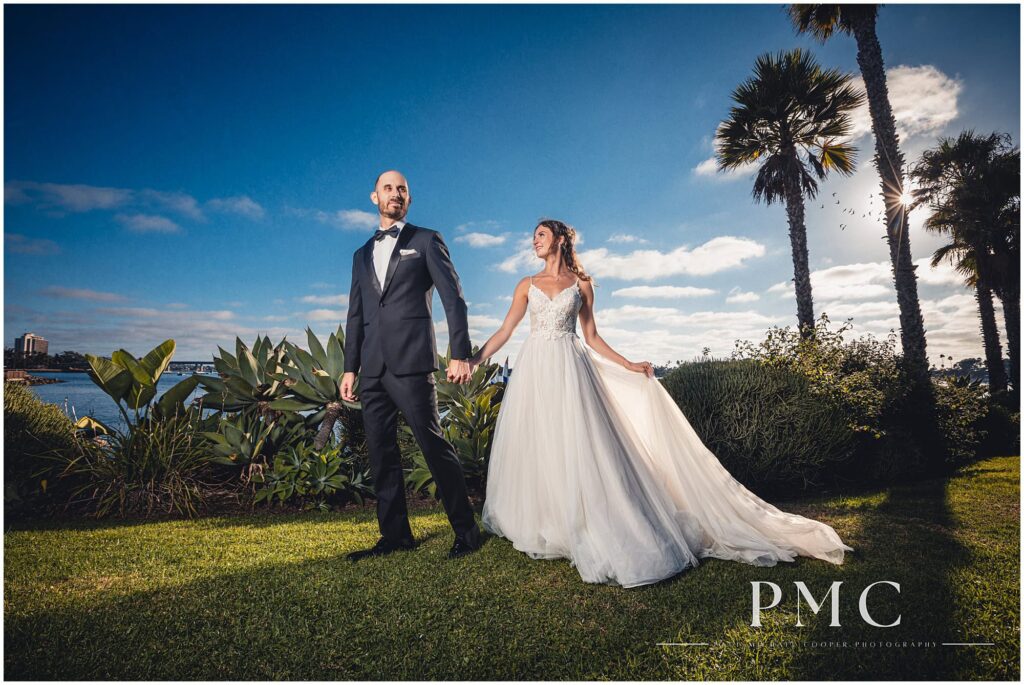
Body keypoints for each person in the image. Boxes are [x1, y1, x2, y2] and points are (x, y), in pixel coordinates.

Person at [469, 218, 853, 588]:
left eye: (540, 234)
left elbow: (592, 337)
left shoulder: (581, 285)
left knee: (581, 445)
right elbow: (506, 330)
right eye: (533, 236)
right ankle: (546, 519)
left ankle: (591, 522)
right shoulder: (526, 284)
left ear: (560, 239)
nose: (534, 241)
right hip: (535, 369)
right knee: (542, 443)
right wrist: (474, 360)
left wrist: (629, 364)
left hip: (571, 368)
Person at [341, 170, 483, 561]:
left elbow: (454, 299)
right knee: (380, 454)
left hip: (413, 363)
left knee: (434, 447)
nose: (395, 194)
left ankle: (467, 532)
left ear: (409, 198)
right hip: (372, 369)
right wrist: (350, 367)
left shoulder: (425, 240)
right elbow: (356, 315)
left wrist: (460, 352)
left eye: (402, 189)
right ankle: (395, 536)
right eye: (388, 188)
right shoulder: (360, 255)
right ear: (375, 197)